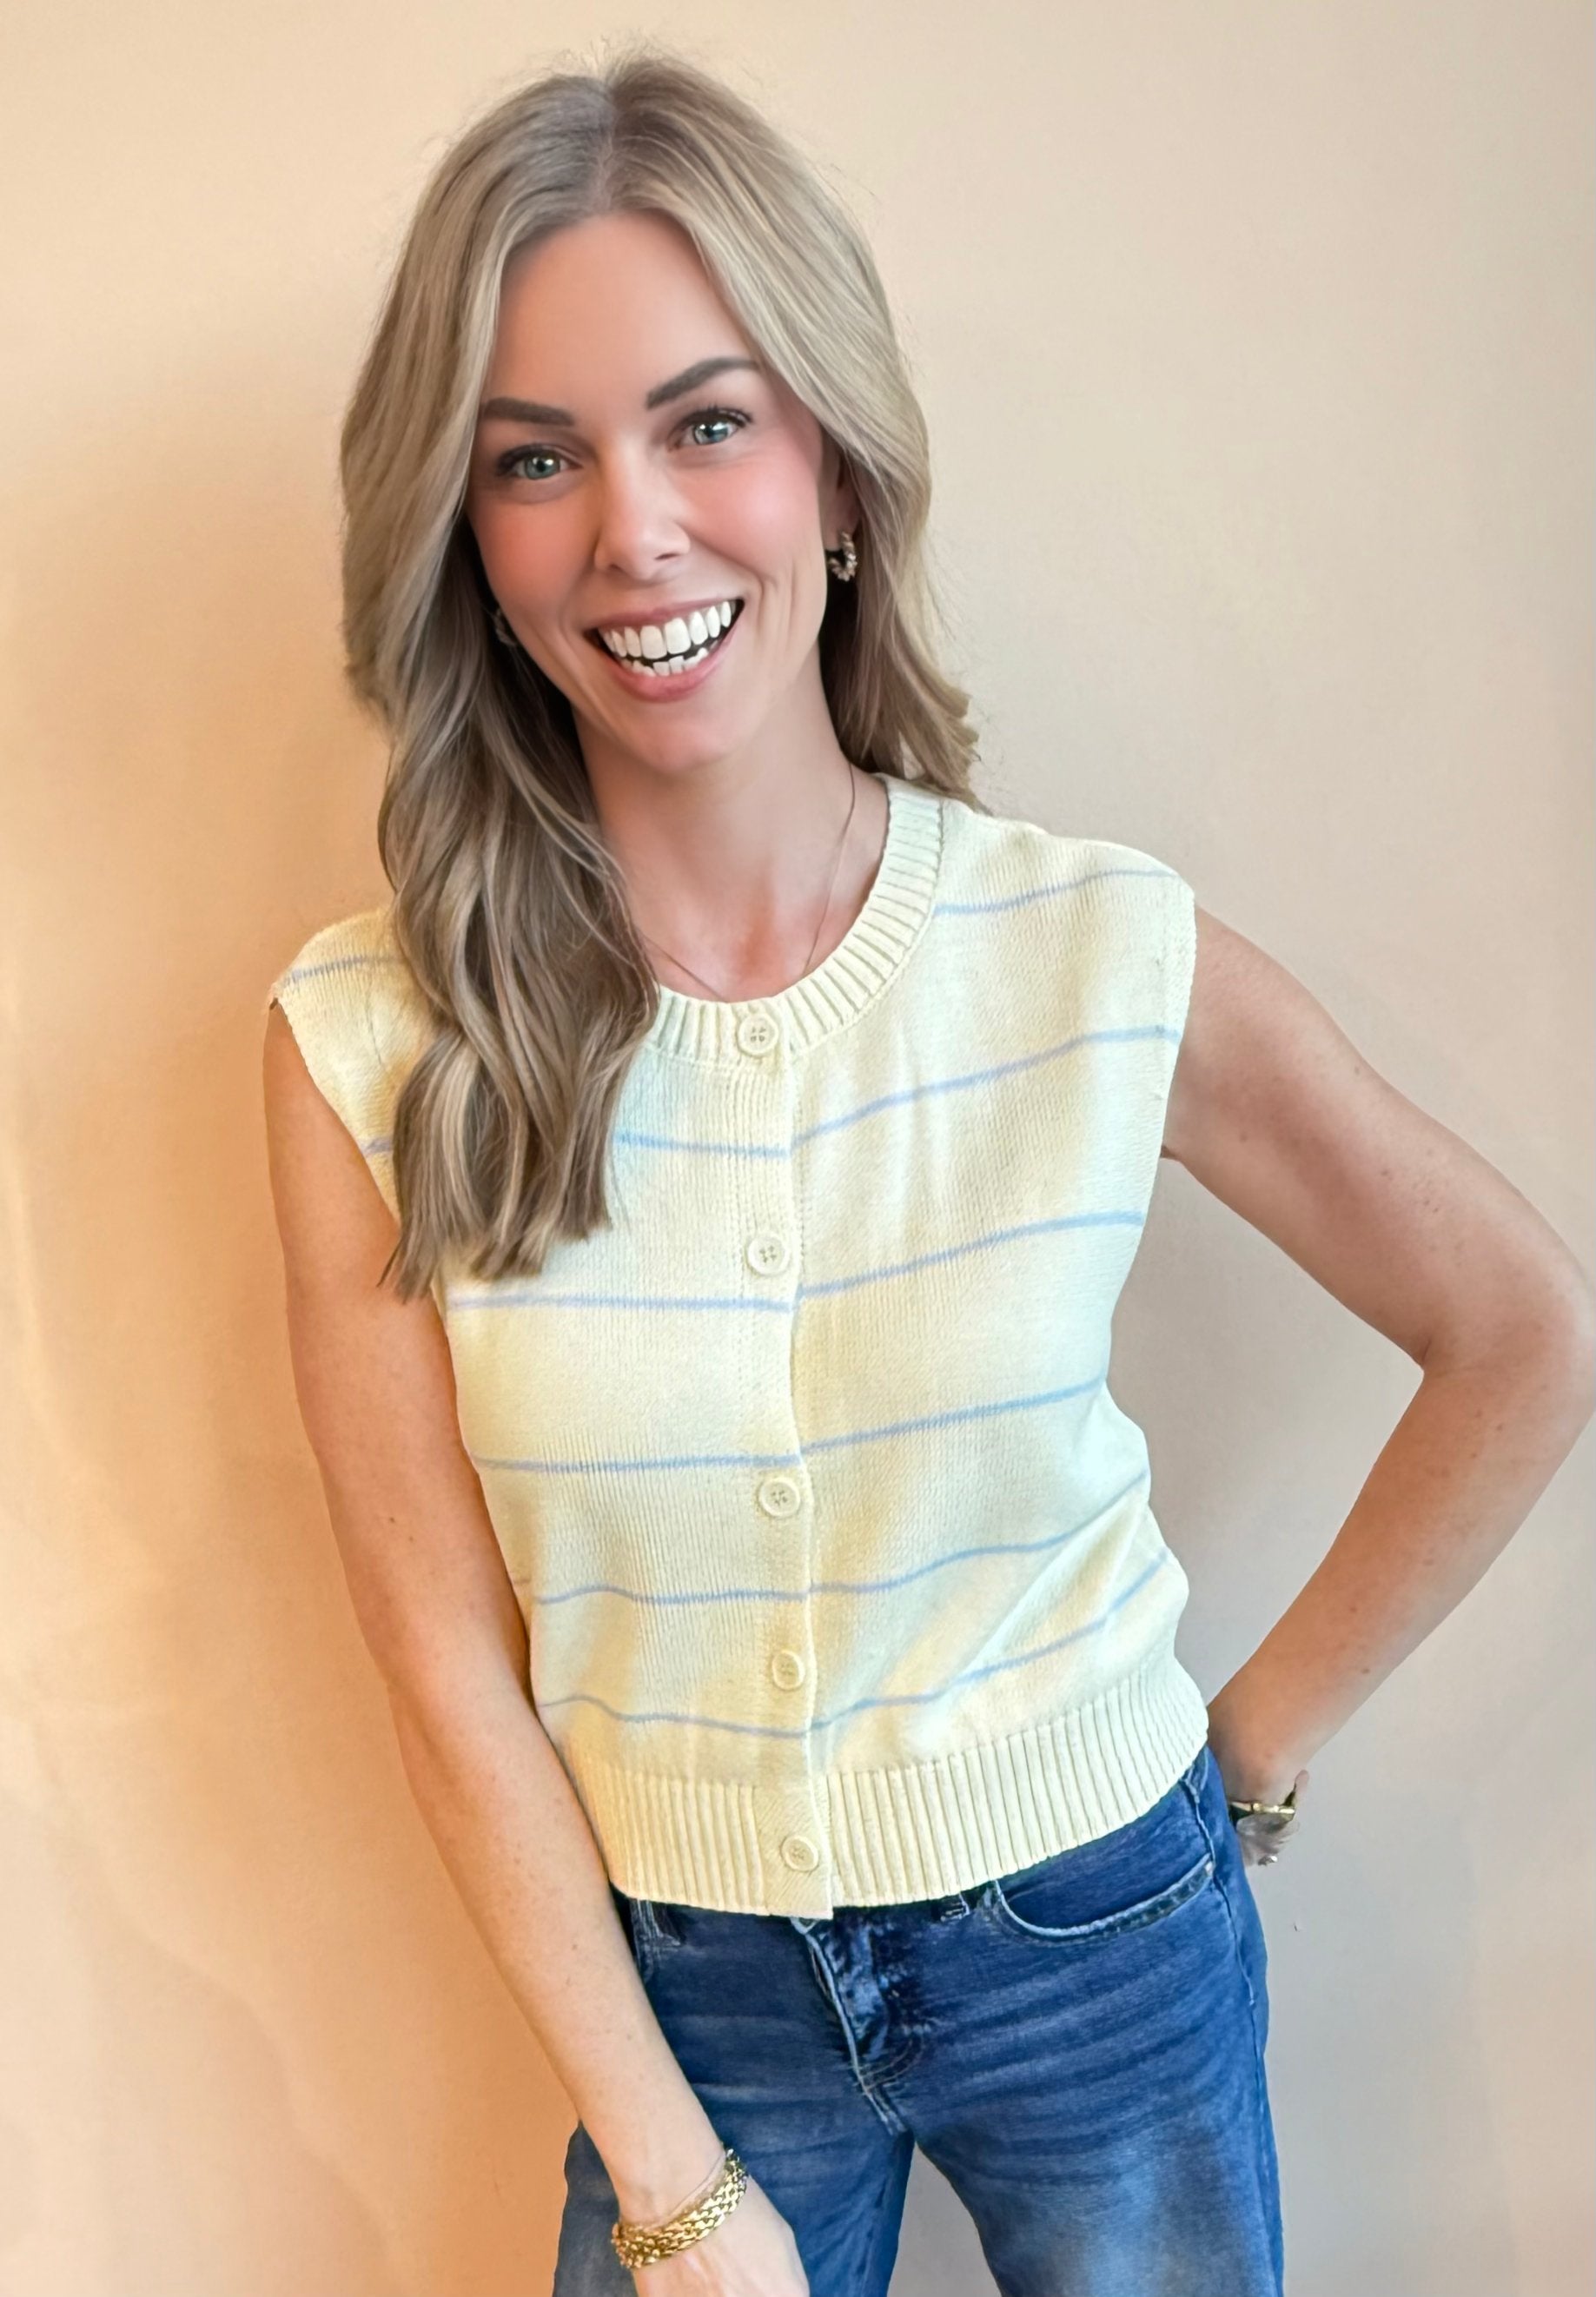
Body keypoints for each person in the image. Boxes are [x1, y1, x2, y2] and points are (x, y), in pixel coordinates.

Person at [261, 42, 1595, 2297]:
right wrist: (672, 2187)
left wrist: (1236, 1769)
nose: (636, 529)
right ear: (466, 541)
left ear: (841, 471)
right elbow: (439, 1656)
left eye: (709, 420)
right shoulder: (372, 1041)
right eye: (535, 460)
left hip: (1104, 1928)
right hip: (672, 1989)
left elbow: (1521, 1330)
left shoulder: (1085, 950)